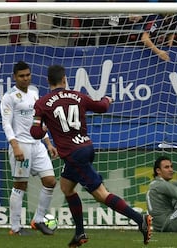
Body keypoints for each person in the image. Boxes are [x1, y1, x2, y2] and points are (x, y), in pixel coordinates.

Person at [29, 65, 152, 247]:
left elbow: (35, 133)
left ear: (48, 81)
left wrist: (44, 127)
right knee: (66, 187)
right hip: (85, 147)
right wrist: (107, 99)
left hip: (73, 155)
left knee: (101, 195)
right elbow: (101, 107)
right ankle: (80, 233)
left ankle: (139, 219)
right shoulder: (77, 96)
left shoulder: (41, 103)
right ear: (64, 79)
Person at [0, 61, 57, 236]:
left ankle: (38, 219)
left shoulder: (34, 92)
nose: (25, 78)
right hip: (21, 145)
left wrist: (48, 143)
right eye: (21, 76)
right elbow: (6, 124)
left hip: (37, 144)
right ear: (15, 77)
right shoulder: (8, 97)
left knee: (50, 181)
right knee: (20, 185)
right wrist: (15, 146)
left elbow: (38, 121)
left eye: (28, 75)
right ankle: (15, 228)